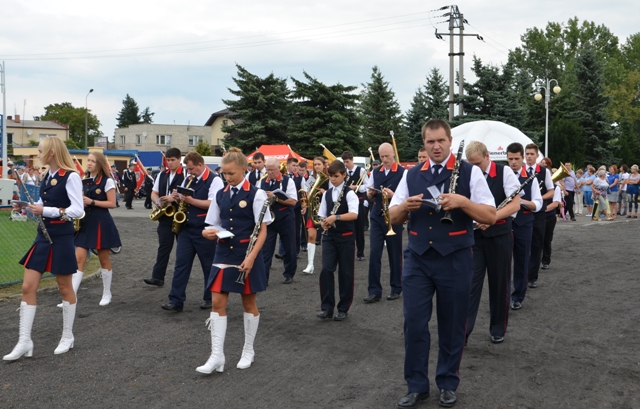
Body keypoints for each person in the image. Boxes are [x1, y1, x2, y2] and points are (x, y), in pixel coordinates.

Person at [389, 119, 496, 408]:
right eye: (430, 142)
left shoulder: (470, 173)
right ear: (423, 144)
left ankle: (448, 383)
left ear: (450, 141)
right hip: (418, 259)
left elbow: (490, 215)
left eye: (441, 141)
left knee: (452, 324)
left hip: (456, 258)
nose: (436, 146)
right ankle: (416, 385)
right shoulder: (411, 175)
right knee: (414, 322)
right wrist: (403, 208)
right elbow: (393, 217)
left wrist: (463, 202)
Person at [4, 136, 83, 360]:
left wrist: (45, 211)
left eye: (40, 150)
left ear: (51, 153)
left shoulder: (72, 176)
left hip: (62, 236)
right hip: (42, 236)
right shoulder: (47, 174)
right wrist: (28, 207)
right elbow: (43, 205)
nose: (37, 153)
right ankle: (24, 341)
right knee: (28, 286)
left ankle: (67, 336)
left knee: (64, 286)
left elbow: (77, 210)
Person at [197, 147, 272, 374]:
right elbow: (211, 225)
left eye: (231, 174)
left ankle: (248, 349)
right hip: (222, 254)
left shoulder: (256, 194)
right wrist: (206, 233)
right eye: (224, 174)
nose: (227, 178)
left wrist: (251, 258)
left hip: (246, 254)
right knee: (217, 303)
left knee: (248, 303)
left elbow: (263, 231)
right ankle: (217, 355)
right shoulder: (220, 194)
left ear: (243, 169)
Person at [464, 141, 521, 345]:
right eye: (470, 164)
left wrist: (492, 217)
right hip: (475, 237)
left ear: (487, 156)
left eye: (477, 163)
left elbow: (515, 204)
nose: (474, 168)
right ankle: (463, 331)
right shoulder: (468, 172)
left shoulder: (504, 172)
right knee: (470, 284)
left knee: (499, 284)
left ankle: (498, 328)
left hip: (499, 237)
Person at [161, 152, 224, 312]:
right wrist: (176, 197)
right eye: (188, 169)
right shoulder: (189, 179)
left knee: (209, 266)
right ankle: (175, 300)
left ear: (200, 165)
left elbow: (213, 204)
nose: (189, 172)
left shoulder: (215, 180)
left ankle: (210, 298)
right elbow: (184, 198)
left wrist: (190, 200)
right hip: (187, 229)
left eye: (191, 169)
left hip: (205, 228)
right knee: (181, 265)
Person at [72, 152, 122, 306]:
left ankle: (107, 293)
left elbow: (112, 203)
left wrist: (92, 201)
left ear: (100, 164)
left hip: (101, 221)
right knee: (78, 259)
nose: (89, 163)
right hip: (86, 221)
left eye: (93, 161)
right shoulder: (84, 181)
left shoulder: (107, 181)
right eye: (89, 160)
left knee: (103, 259)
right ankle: (71, 295)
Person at [316, 160, 359, 321]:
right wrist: (323, 223)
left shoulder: (349, 193)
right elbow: (322, 215)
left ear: (343, 175)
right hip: (330, 237)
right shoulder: (327, 193)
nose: (333, 179)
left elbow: (354, 214)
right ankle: (327, 307)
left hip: (346, 237)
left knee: (346, 273)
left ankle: (343, 308)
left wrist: (336, 217)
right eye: (330, 176)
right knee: (326, 270)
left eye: (336, 176)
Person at [363, 143, 405, 303]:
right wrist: (371, 194)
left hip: (394, 216)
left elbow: (405, 196)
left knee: (395, 254)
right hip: (377, 216)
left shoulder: (403, 172)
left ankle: (396, 287)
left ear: (393, 154)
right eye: (382, 156)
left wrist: (393, 195)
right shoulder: (375, 172)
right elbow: (369, 195)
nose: (385, 159)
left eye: (387, 156)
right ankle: (374, 290)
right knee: (374, 253)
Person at [506, 142, 542, 310]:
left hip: (524, 224)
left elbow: (538, 203)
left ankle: (518, 295)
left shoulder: (530, 178)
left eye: (517, 159)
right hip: (505, 225)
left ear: (522, 159)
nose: (513, 162)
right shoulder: (503, 176)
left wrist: (521, 202)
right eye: (510, 159)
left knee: (521, 261)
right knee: (502, 263)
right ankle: (503, 297)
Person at [144, 148, 184, 287]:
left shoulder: (185, 175)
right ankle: (158, 276)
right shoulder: (162, 175)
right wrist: (157, 201)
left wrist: (174, 198)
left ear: (180, 159)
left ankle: (180, 278)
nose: (170, 163)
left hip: (181, 216)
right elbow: (154, 192)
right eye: (168, 160)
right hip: (165, 216)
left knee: (182, 250)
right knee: (163, 248)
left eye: (173, 160)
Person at [260, 157, 298, 284]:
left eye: (273, 170)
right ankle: (263, 278)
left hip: (285, 218)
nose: (270, 172)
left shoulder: (288, 181)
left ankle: (289, 274)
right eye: (268, 170)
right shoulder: (261, 182)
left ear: (279, 168)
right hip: (269, 220)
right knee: (266, 249)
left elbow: (293, 201)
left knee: (289, 247)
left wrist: (276, 198)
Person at [525, 145, 555, 289]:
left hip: (538, 214)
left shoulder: (543, 172)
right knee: (521, 246)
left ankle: (532, 277)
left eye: (531, 154)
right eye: (527, 154)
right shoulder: (519, 171)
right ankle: (522, 274)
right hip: (522, 213)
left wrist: (538, 199)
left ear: (537, 156)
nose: (529, 156)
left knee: (537, 245)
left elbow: (551, 191)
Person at [302, 156, 329, 274]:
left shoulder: (329, 179)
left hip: (326, 211)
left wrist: (325, 193)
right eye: (315, 165)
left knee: (328, 237)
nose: (317, 167)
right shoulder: (311, 179)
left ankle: (329, 262)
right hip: (313, 211)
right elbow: (307, 194)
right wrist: (308, 198)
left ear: (324, 165)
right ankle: (310, 264)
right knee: (311, 236)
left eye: (319, 164)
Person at [341, 151, 368, 261]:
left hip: (359, 200)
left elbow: (367, 186)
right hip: (347, 202)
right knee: (347, 227)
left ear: (352, 160)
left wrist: (356, 187)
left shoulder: (361, 170)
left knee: (359, 228)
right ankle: (348, 251)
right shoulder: (345, 172)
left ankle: (360, 252)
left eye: (347, 162)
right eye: (344, 162)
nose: (346, 164)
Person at [541, 174, 563, 270]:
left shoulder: (556, 188)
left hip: (548, 217)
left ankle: (546, 260)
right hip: (537, 217)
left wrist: (540, 209)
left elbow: (555, 204)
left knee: (547, 240)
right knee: (536, 240)